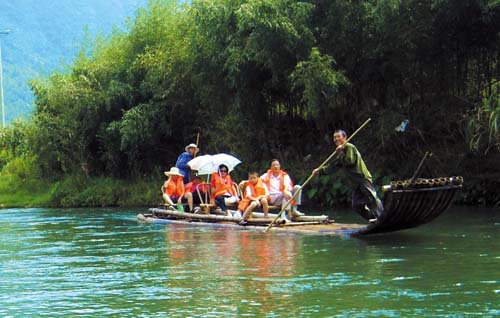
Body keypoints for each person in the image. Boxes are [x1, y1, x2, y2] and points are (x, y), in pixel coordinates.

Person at [313, 129, 383, 222]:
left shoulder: (349, 147)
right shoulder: (340, 153)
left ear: (344, 138)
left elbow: (349, 161)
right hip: (355, 183)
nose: (336, 139)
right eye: (334, 137)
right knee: (356, 205)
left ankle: (381, 217)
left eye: (338, 136)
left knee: (371, 198)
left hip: (362, 178)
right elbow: (333, 167)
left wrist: (341, 152)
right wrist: (320, 171)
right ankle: (372, 219)